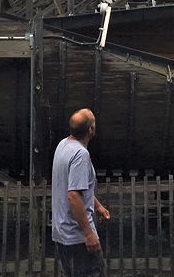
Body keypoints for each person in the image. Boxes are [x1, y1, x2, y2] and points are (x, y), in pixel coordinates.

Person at [51, 108, 110, 277]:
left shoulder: (63, 145)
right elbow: (74, 195)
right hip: (77, 236)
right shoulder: (80, 155)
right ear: (91, 130)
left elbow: (76, 186)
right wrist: (89, 234)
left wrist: (97, 205)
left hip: (62, 232)